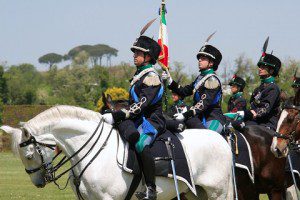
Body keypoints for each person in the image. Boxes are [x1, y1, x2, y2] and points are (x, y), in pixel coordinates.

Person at [102, 35, 164, 200]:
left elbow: (141, 104)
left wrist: (118, 115)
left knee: (141, 142)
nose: (134, 55)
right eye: (135, 52)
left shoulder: (152, 77)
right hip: (138, 119)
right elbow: (132, 103)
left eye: (138, 52)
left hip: (152, 121)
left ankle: (151, 188)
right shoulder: (139, 76)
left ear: (148, 57)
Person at [162, 43, 226, 133]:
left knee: (208, 137)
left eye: (203, 59)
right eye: (199, 58)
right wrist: (170, 80)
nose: (199, 60)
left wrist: (186, 114)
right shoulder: (200, 78)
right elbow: (184, 91)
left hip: (212, 117)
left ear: (211, 63)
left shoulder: (212, 80)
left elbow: (203, 103)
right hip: (197, 116)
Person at [232, 42, 281, 131]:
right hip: (254, 122)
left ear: (271, 70)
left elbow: (265, 109)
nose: (260, 68)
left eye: (263, 67)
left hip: (267, 124)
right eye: (260, 66)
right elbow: (252, 106)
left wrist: (248, 113)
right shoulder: (258, 89)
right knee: (231, 125)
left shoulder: (273, 88)